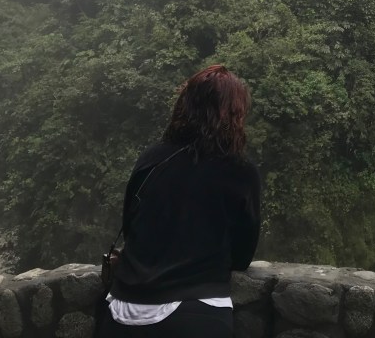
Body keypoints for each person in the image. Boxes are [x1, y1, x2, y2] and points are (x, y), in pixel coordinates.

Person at [100, 65, 261, 338]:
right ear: (235, 114)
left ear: (183, 108)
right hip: (195, 315)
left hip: (121, 314)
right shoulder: (240, 170)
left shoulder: (151, 159)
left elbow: (130, 229)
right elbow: (243, 256)